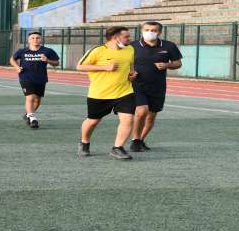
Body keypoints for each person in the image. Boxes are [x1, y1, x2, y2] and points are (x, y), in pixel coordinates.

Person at [76, 26, 137, 160]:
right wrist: (104, 67)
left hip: (124, 91)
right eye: (126, 36)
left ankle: (118, 148)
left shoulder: (130, 49)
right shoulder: (98, 50)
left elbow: (130, 65)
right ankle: (84, 142)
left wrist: (132, 74)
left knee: (128, 119)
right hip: (100, 94)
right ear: (116, 37)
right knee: (93, 121)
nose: (129, 39)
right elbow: (80, 66)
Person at [130, 21, 183, 152]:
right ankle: (135, 141)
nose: (149, 32)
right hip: (137, 85)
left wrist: (167, 65)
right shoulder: (132, 46)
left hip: (158, 86)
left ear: (159, 32)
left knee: (151, 115)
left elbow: (178, 63)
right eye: (147, 29)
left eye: (153, 30)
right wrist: (129, 73)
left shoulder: (169, 46)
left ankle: (141, 140)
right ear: (142, 30)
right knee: (142, 111)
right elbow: (124, 62)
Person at [10, 32, 60, 128]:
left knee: (37, 100)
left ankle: (28, 114)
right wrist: (16, 67)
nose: (35, 40)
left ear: (41, 40)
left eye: (37, 38)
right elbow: (12, 59)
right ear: (28, 40)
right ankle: (33, 119)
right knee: (30, 98)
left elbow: (57, 63)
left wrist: (47, 60)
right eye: (32, 38)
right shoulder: (22, 51)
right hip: (25, 77)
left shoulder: (47, 51)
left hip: (41, 78)